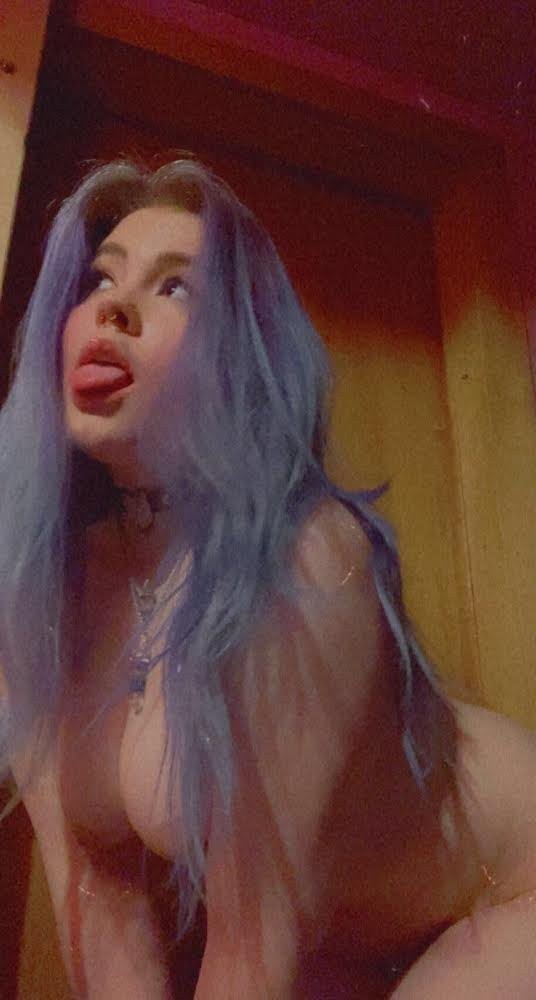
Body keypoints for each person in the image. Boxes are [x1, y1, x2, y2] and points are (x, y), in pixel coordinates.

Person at [0, 157, 535, 999]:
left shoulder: (307, 560)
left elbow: (254, 944)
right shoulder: (36, 588)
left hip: (511, 891)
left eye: (175, 288)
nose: (114, 307)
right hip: (345, 943)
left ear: (242, 355)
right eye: (100, 278)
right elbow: (98, 892)